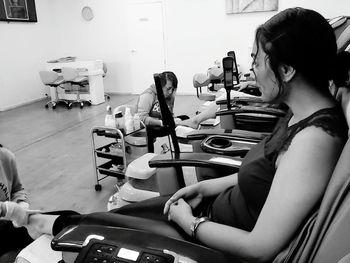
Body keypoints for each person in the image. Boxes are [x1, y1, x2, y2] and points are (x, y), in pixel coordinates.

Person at [25, 8, 349, 262]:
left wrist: (190, 223)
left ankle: (37, 226)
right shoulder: (302, 115)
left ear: (287, 70)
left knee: (108, 229)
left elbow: (259, 248)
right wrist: (206, 186)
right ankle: (41, 222)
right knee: (117, 217)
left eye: (256, 60)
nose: (251, 71)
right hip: (210, 210)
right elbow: (271, 175)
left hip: (210, 236)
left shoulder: (314, 141)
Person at [136, 71, 187, 152]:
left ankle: (180, 150)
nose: (170, 92)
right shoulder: (148, 95)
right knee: (149, 131)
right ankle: (149, 157)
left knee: (185, 118)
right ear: (160, 85)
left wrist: (173, 119)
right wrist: (161, 122)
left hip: (163, 124)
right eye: (168, 88)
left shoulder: (169, 95)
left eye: (173, 89)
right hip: (150, 128)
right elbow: (141, 118)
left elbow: (169, 113)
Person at [0, 144, 34, 262]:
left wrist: (21, 203)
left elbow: (17, 189)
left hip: (7, 226)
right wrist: (7, 209)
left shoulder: (5, 157)